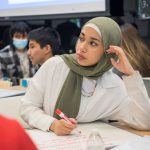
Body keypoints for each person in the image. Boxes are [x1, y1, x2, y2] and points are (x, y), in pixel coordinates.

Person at [20, 17, 150, 136]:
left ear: (108, 51)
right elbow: (27, 107)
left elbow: (144, 122)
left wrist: (130, 74)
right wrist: (52, 124)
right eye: (81, 39)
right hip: (47, 142)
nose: (81, 47)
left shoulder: (113, 85)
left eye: (93, 43)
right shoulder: (55, 65)